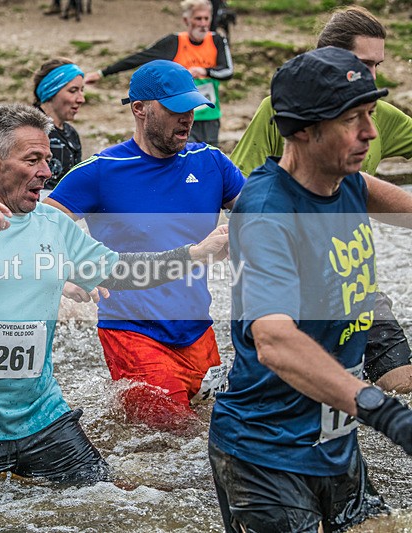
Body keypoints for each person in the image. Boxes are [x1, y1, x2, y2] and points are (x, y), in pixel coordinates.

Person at [0, 104, 230, 483]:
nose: (47, 171)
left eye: (46, 160)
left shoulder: (51, 223)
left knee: (105, 499)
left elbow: (121, 270)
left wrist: (194, 254)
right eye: (33, 160)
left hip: (43, 419)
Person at [209, 47, 412, 532]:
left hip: (334, 441)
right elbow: (274, 341)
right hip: (265, 455)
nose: (370, 132)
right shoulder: (268, 212)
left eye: (370, 114)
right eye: (352, 119)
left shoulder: (348, 181)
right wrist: (383, 411)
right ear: (302, 129)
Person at [45, 60, 245, 431]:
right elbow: (38, 229)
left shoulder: (212, 163)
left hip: (198, 330)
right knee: (173, 438)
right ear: (140, 109)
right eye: (175, 109)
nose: (187, 118)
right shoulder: (100, 171)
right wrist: (65, 272)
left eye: (192, 108)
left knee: (214, 431)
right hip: (132, 332)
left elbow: (264, 214)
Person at [230, 6, 412, 394]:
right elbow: (238, 189)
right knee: (294, 386)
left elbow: (369, 192)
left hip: (352, 281)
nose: (371, 76)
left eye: (377, 65)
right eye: (363, 63)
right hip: (292, 287)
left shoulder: (377, 122)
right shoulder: (283, 111)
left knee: (401, 383)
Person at [85, 0, 233, 146]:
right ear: (186, 20)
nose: (203, 24)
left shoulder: (217, 40)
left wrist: (204, 71)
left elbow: (228, 71)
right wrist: (102, 73)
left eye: (206, 18)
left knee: (208, 157)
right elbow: (140, 57)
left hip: (210, 114)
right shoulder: (174, 42)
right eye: (198, 19)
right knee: (183, 155)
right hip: (180, 114)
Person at [32, 58, 85, 194]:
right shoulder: (28, 129)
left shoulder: (71, 133)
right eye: (73, 91)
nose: (81, 99)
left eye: (81, 90)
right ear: (51, 91)